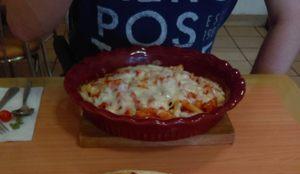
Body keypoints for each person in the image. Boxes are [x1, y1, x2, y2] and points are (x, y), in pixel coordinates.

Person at [5, 0, 300, 74]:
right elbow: (24, 27)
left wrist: (262, 93)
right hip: (85, 102)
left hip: (191, 97)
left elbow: (290, 15)